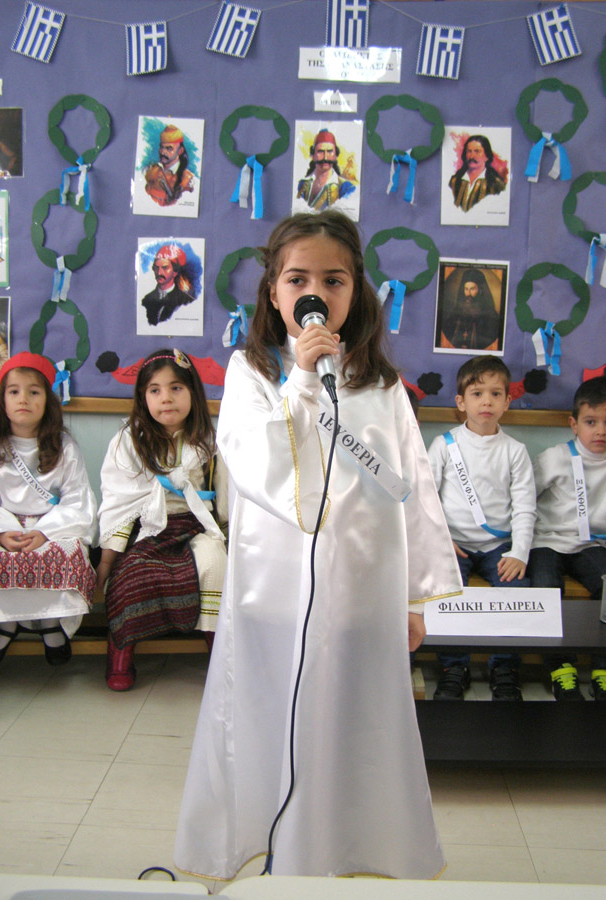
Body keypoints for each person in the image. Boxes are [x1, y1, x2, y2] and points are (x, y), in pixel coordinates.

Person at [175, 211, 461, 880]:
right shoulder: (251, 372)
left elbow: (412, 486)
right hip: (274, 592)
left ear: (355, 291)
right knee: (276, 719)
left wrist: (413, 597)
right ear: (273, 292)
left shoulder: (380, 384)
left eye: (333, 280)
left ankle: (349, 851)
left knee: (355, 725)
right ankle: (278, 851)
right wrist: (302, 381)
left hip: (363, 590)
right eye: (297, 279)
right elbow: (256, 465)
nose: (315, 293)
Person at [0, 352, 97, 667]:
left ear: (47, 401)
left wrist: (44, 532)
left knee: (69, 556)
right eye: (14, 391)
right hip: (4, 527)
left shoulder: (65, 448)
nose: (23, 399)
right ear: (2, 401)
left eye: (34, 392)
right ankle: (5, 623)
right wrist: (2, 532)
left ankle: (50, 622)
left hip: (51, 528)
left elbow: (78, 499)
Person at [97, 348, 227, 691]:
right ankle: (120, 651)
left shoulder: (211, 441)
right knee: (131, 574)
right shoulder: (128, 442)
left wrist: (230, 537)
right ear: (143, 397)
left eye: (176, 388)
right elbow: (119, 502)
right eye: (155, 390)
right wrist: (107, 562)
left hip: (198, 526)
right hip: (148, 529)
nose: (166, 398)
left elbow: (225, 496)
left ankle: (220, 656)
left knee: (215, 564)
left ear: (193, 392)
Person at [427, 356, 536, 701]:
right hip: (452, 543)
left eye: (495, 393)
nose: (486, 401)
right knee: (444, 591)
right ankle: (453, 667)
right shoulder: (443, 444)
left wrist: (519, 553)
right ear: (461, 402)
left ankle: (504, 667)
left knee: (517, 591)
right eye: (477, 393)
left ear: (507, 402)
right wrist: (440, 539)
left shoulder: (515, 451)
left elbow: (525, 507)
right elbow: (426, 499)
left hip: (497, 547)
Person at [528, 375, 606, 701]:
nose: (601, 431)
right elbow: (525, 497)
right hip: (548, 541)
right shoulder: (556, 457)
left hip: (592, 544)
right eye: (591, 422)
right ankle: (561, 667)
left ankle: (602, 668)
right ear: (574, 424)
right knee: (546, 586)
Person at [440, 268, 500, 351]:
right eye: (466, 289)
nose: (468, 293)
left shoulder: (490, 315)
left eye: (472, 289)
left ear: (480, 290)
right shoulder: (456, 312)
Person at [296, 129, 355, 211]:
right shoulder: (302, 185)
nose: (325, 157)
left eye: (330, 151)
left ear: (336, 155)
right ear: (313, 155)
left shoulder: (346, 188)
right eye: (321, 151)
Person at [449, 134, 507, 213]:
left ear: (487, 156)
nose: (472, 156)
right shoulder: (454, 181)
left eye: (477, 151)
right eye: (469, 151)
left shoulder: (496, 184)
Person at [141, 245, 195, 326]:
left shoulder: (186, 301)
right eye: (156, 268)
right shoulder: (145, 301)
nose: (159, 273)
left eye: (165, 268)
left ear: (175, 272)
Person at [144, 124, 195, 207]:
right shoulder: (151, 171)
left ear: (180, 151)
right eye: (162, 147)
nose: (163, 152)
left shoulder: (188, 179)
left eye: (169, 148)